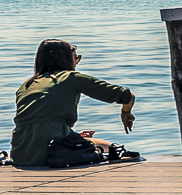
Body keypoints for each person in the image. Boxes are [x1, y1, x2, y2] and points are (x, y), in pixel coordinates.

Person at [11, 39, 138, 167]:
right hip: (52, 154)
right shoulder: (71, 78)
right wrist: (126, 112)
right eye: (75, 57)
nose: (77, 62)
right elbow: (127, 96)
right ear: (64, 59)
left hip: (21, 155)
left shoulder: (26, 85)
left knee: (85, 139)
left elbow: (39, 122)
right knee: (107, 146)